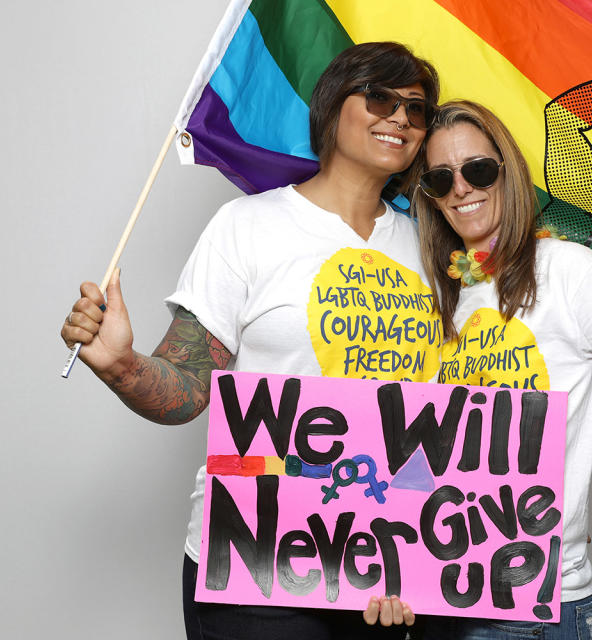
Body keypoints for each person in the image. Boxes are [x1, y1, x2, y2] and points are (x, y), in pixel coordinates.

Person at [61, 42, 441, 639]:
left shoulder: (435, 252)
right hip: (256, 563)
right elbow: (188, 390)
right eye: (379, 98)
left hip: (384, 566)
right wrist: (121, 365)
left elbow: (457, 416)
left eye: (416, 111)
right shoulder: (249, 228)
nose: (399, 118)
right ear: (330, 108)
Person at [409, 100, 592, 639]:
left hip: (536, 602)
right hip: (440, 589)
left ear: (507, 172)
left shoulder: (570, 269)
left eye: (477, 169)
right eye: (440, 178)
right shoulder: (440, 294)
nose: (462, 188)